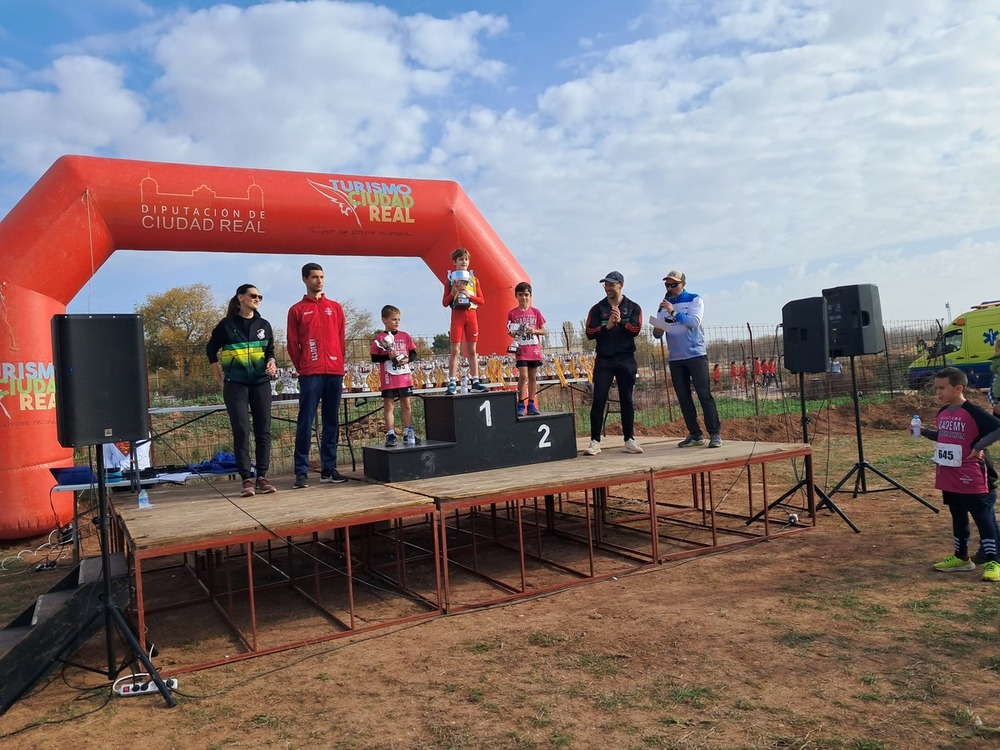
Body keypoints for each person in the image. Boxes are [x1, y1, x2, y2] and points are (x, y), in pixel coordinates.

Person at [918, 367, 1000, 581]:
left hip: (973, 475)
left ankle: (994, 561)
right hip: (949, 475)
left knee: (982, 517)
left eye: (942, 388)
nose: (938, 392)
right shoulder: (942, 412)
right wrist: (925, 432)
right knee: (957, 514)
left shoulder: (972, 411)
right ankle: (961, 558)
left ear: (958, 388)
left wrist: (978, 446)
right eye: (936, 388)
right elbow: (946, 436)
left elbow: (997, 427)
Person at [206, 284, 278, 497]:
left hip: (261, 383)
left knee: (263, 430)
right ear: (241, 298)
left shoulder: (264, 324)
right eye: (254, 296)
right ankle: (246, 478)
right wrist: (218, 376)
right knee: (241, 430)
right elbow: (210, 349)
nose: (257, 299)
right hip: (235, 384)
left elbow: (270, 350)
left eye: (260, 297)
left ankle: (262, 476)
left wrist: (272, 362)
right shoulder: (226, 325)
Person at [287, 262, 348, 488]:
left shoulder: (335, 307)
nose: (319, 281)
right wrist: (303, 366)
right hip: (310, 372)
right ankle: (301, 472)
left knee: (331, 422)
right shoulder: (297, 310)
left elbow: (340, 338)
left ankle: (328, 469)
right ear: (304, 279)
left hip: (334, 371)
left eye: (321, 276)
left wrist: (339, 362)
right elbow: (293, 343)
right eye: (314, 277)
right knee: (306, 421)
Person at [654, 270, 722, 448]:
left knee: (704, 394)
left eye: (674, 284)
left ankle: (715, 434)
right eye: (667, 284)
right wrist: (659, 327)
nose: (670, 287)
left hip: (695, 355)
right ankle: (695, 434)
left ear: (683, 284)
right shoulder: (663, 305)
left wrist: (674, 313)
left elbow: (694, 322)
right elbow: (656, 333)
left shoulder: (694, 299)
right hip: (676, 358)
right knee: (684, 398)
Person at [583, 271, 643, 455]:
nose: (608, 288)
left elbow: (636, 329)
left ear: (621, 285)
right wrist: (606, 326)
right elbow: (590, 332)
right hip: (604, 360)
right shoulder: (597, 308)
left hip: (625, 359)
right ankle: (594, 442)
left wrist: (620, 323)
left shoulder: (633, 307)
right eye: (605, 285)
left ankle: (629, 439)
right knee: (599, 398)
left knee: (627, 400)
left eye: (611, 284)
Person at [370, 305, 420, 447]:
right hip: (389, 378)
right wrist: (388, 356)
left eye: (398, 319)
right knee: (389, 406)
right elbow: (374, 358)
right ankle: (391, 434)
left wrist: (407, 360)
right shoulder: (380, 338)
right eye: (393, 319)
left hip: (404, 376)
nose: (397, 322)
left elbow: (413, 353)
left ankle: (408, 432)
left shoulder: (405, 336)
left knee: (406, 404)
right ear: (384, 320)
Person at [442, 247, 488, 395]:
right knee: (455, 350)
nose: (464, 261)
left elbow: (481, 300)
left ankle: (475, 381)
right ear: (454, 262)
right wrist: (454, 292)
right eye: (461, 259)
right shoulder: (450, 280)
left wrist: (469, 295)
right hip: (457, 316)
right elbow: (444, 302)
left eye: (466, 259)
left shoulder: (474, 280)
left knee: (472, 350)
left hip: (471, 315)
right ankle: (452, 382)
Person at [507, 282, 547, 416]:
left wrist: (534, 330)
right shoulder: (512, 313)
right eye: (520, 295)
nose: (524, 298)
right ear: (516, 296)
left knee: (532, 377)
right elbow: (509, 330)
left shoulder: (536, 312)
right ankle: (520, 403)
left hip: (534, 350)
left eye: (526, 295)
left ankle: (531, 404)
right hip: (521, 350)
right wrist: (513, 332)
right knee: (523, 376)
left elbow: (543, 331)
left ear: (530, 296)